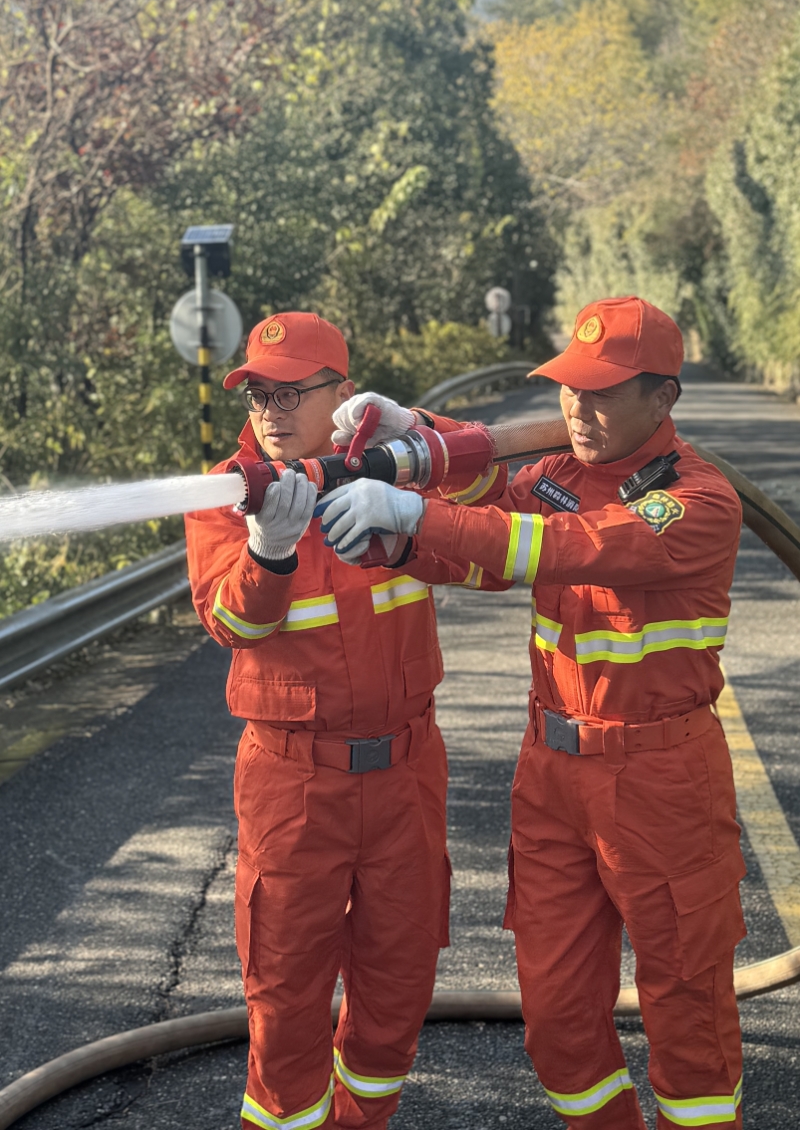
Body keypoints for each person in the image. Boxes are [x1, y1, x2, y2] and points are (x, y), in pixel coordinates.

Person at [318, 296, 746, 1130]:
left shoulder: (696, 502)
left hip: (661, 781)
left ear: (664, 399)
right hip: (552, 777)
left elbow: (559, 546)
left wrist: (413, 511)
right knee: (556, 1027)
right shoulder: (557, 475)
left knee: (688, 1028)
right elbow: (489, 512)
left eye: (604, 393)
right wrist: (413, 446)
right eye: (569, 391)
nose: (579, 411)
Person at [184, 311, 465, 1130]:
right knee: (286, 996)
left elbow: (489, 486)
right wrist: (268, 552)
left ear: (343, 396)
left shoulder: (395, 475)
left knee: (398, 987)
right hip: (293, 782)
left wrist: (419, 431)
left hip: (408, 774)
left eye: (292, 392)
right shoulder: (226, 493)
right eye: (258, 393)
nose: (270, 410)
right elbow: (228, 625)